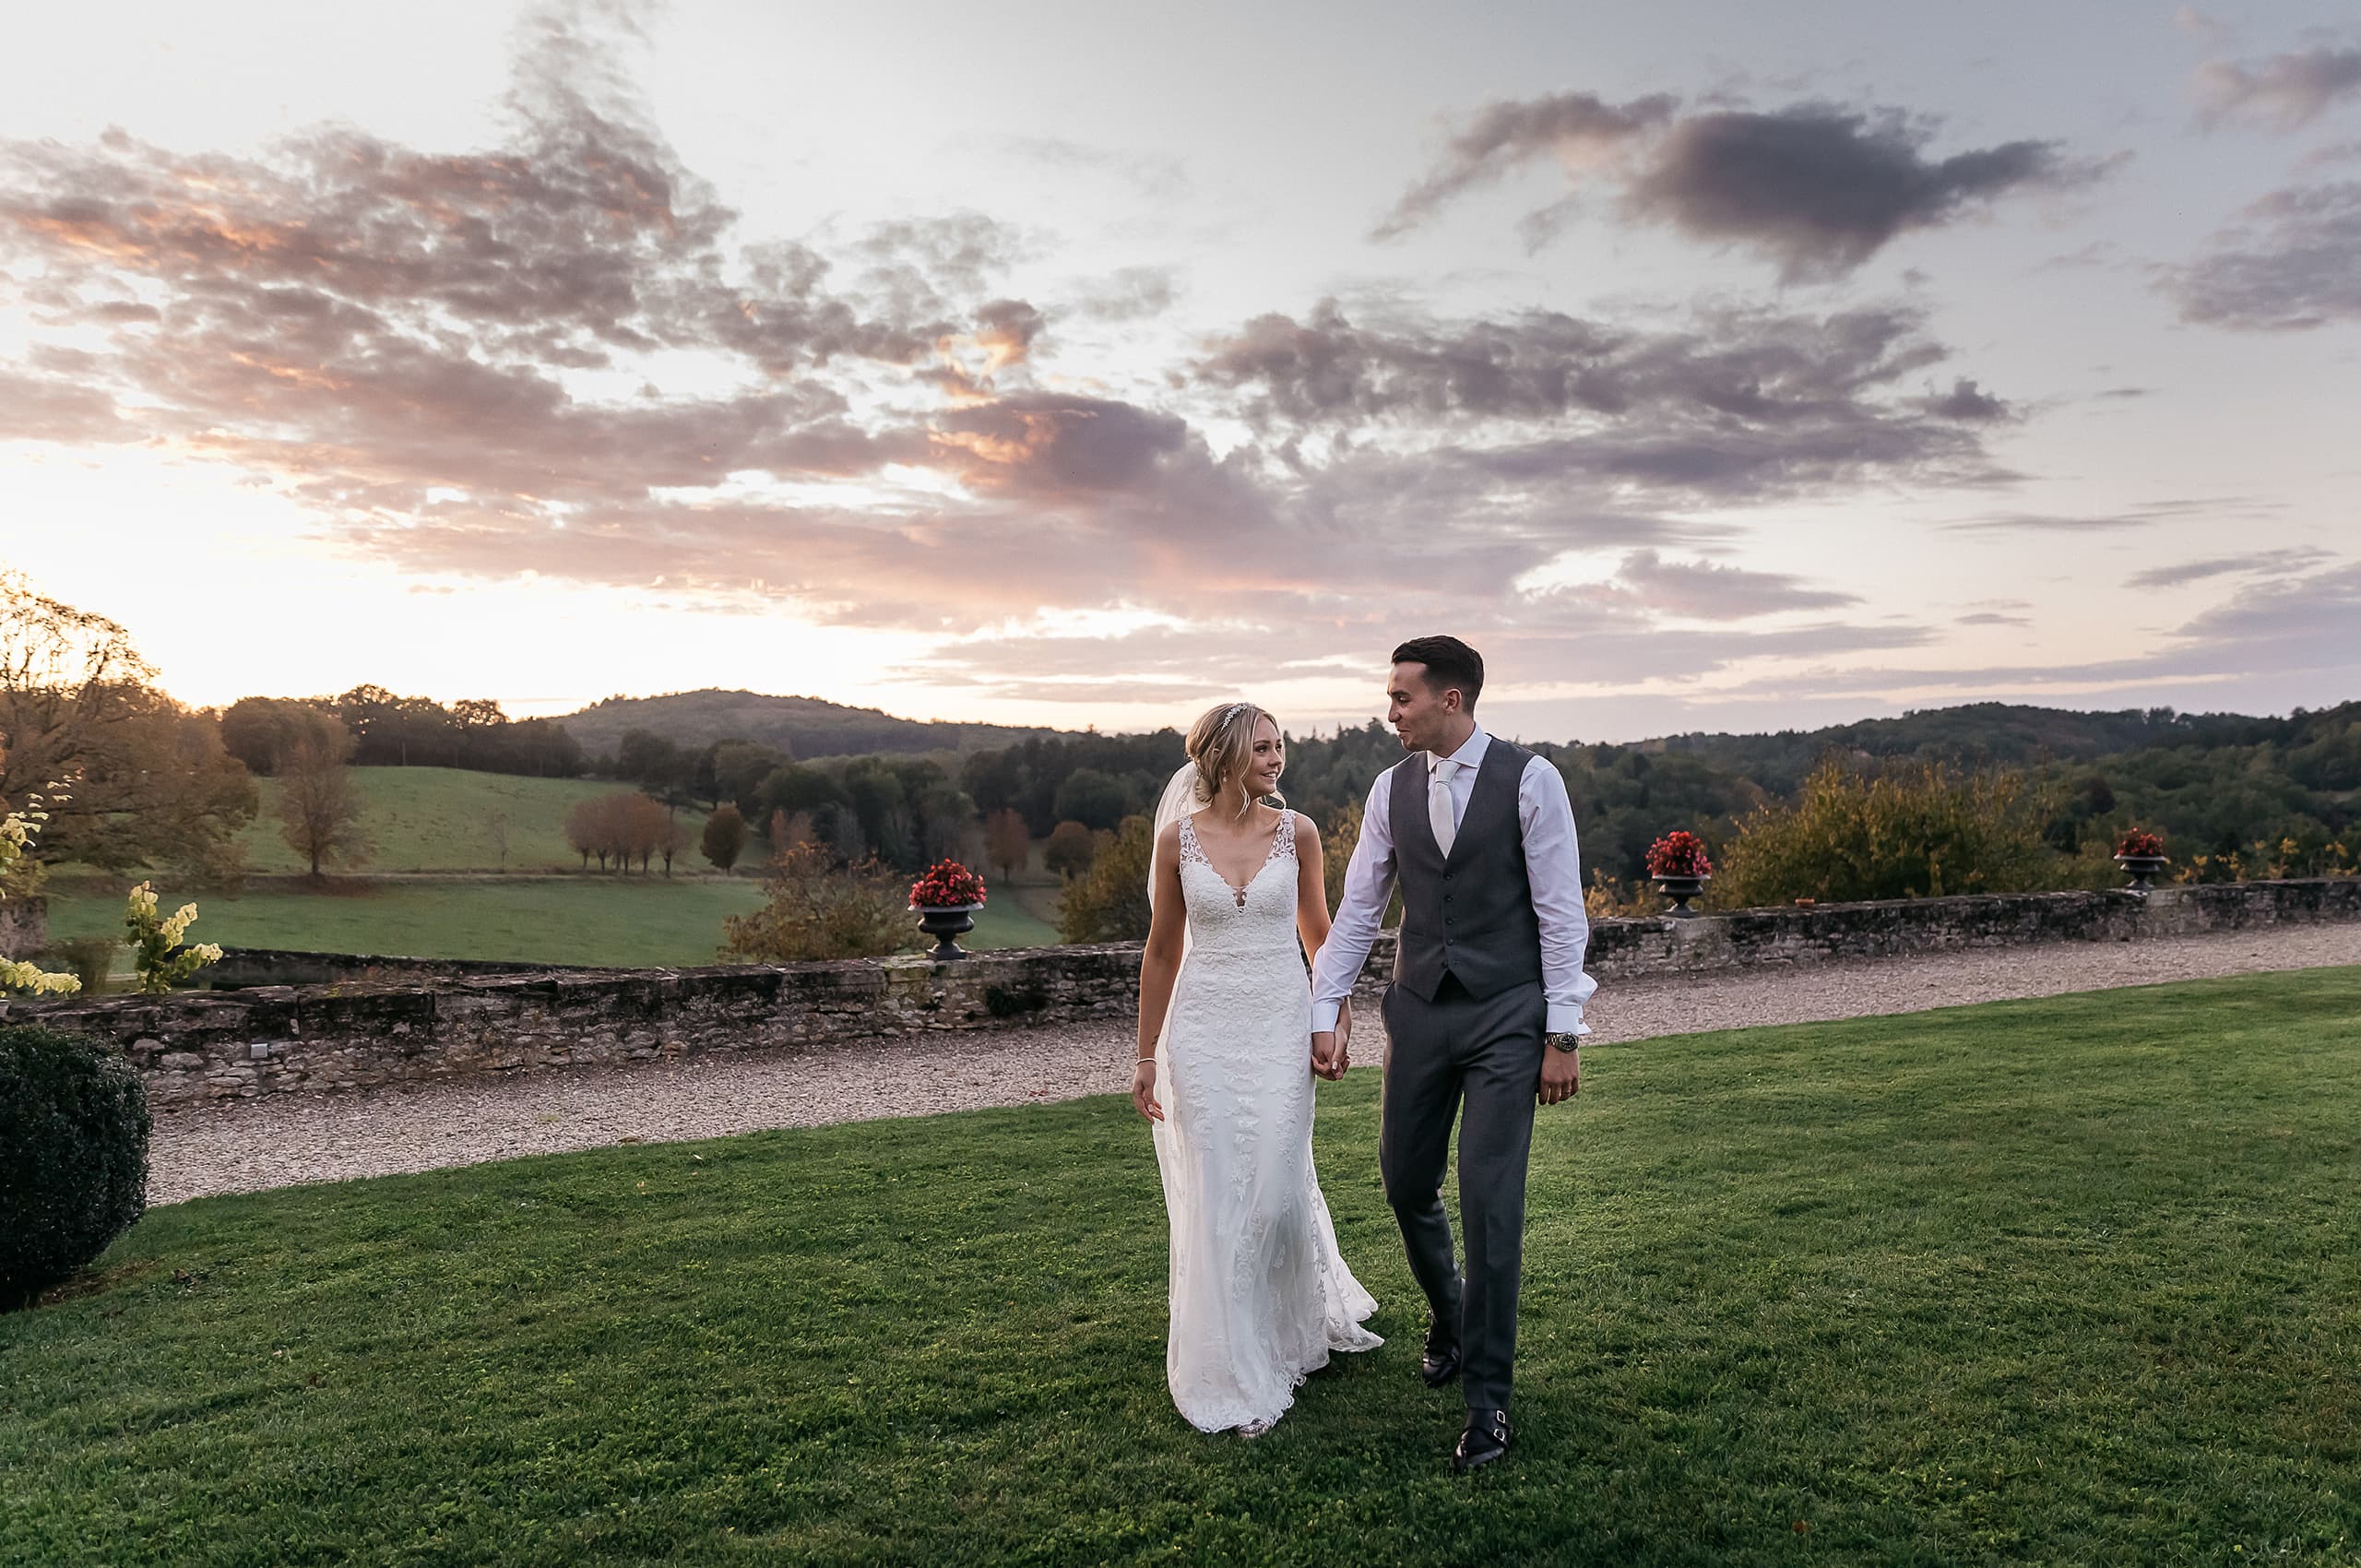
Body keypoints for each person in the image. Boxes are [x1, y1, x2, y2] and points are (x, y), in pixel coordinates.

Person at [1308, 636, 1596, 1472]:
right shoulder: (1389, 789)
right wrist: (1326, 1008)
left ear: (1452, 700)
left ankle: (1488, 1404)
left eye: (1402, 696)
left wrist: (1562, 1033)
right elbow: (1360, 907)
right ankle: (1449, 1309)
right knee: (1404, 1180)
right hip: (1421, 1014)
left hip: (1509, 1017)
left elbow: (1560, 916)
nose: (1389, 710)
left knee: (1489, 1203)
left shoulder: (1532, 780)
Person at [1131, 699, 1383, 1436]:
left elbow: (1321, 935)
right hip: (1204, 1029)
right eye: (1264, 748)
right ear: (1224, 757)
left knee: (1274, 1187)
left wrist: (1335, 1017)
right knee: (1218, 1188)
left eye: (1281, 747)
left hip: (1279, 1024)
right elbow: (1161, 952)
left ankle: (1285, 1326)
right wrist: (1147, 1056)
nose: (1277, 759)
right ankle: (1235, 1363)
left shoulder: (1297, 833)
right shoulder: (1177, 842)